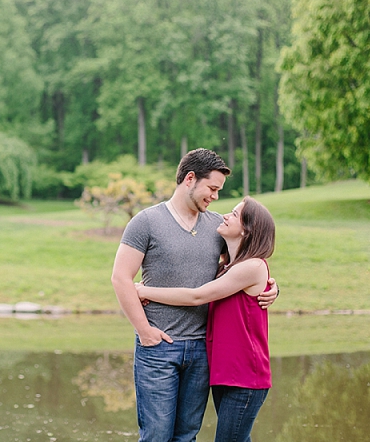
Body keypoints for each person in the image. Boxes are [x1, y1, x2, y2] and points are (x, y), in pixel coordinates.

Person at [110, 148, 278, 442]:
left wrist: (273, 286)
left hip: (202, 351)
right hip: (159, 348)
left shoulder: (217, 227)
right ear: (190, 179)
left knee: (187, 436)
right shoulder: (146, 222)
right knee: (157, 436)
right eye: (212, 188)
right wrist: (144, 331)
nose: (215, 196)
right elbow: (120, 278)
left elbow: (248, 263)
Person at [135, 196, 275, 441]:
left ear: (247, 229)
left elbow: (197, 296)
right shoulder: (228, 268)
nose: (225, 215)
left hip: (245, 377)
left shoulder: (251, 267)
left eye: (234, 214)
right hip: (226, 373)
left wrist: (144, 291)